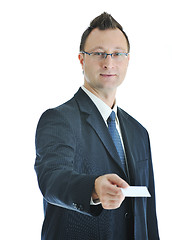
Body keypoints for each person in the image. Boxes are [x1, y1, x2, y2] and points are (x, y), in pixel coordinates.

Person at [34, 12, 160, 240]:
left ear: (128, 60)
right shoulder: (58, 119)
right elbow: (51, 179)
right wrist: (93, 187)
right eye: (99, 53)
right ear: (82, 60)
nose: (109, 62)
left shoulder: (139, 132)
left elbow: (147, 214)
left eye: (117, 54)